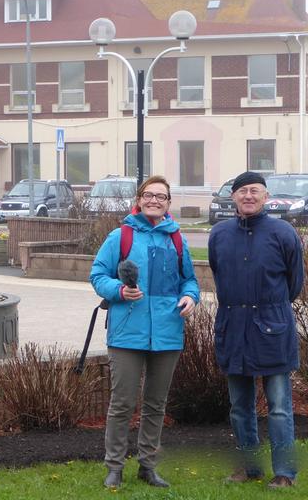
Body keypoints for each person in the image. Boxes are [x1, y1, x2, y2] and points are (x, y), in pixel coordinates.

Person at [90, 175, 199, 489]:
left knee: (156, 404)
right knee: (122, 403)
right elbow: (97, 274)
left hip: (168, 332)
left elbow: (189, 280)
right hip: (127, 333)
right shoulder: (121, 236)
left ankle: (148, 466)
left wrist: (190, 297)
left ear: (168, 203)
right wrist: (119, 291)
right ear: (139, 200)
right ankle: (115, 467)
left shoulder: (177, 239)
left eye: (161, 196)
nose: (155, 200)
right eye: (149, 195)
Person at [208, 171, 303, 489]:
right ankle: (249, 468)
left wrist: (268, 309)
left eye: (255, 191)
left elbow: (294, 284)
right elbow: (218, 272)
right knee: (239, 406)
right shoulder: (219, 234)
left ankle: (284, 473)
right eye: (242, 191)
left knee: (278, 407)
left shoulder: (283, 233)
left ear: (265, 196)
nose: (248, 196)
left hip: (272, 329)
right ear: (233, 196)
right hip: (233, 328)